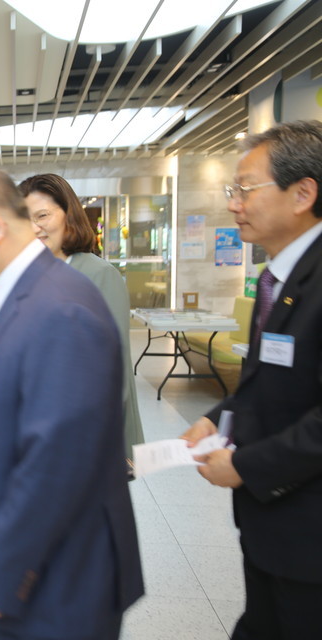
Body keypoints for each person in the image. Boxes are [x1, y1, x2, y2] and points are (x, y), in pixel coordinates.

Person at [0, 167, 144, 639]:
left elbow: (58, 463)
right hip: (32, 574)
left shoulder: (59, 307)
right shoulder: (21, 298)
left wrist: (2, 571)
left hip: (54, 581)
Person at [181, 120, 322, 640]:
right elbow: (268, 381)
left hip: (310, 537)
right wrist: (215, 418)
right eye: (231, 190)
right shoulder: (275, 277)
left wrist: (244, 464)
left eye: (245, 189)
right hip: (272, 527)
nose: (233, 203)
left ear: (302, 193)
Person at [18, 173, 145, 472]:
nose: (34, 228)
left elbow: (114, 367)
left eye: (43, 216)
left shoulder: (99, 274)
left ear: (68, 215)